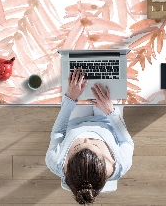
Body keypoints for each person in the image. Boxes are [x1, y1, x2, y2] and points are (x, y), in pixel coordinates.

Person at [46, 67, 134, 204]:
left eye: (78, 146)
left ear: (67, 164)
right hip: (107, 120)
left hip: (75, 121)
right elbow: (126, 142)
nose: (86, 138)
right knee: (110, 77)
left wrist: (70, 99)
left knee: (75, 82)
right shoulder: (122, 164)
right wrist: (110, 111)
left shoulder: (55, 162)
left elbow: (58, 132)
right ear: (106, 162)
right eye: (94, 145)